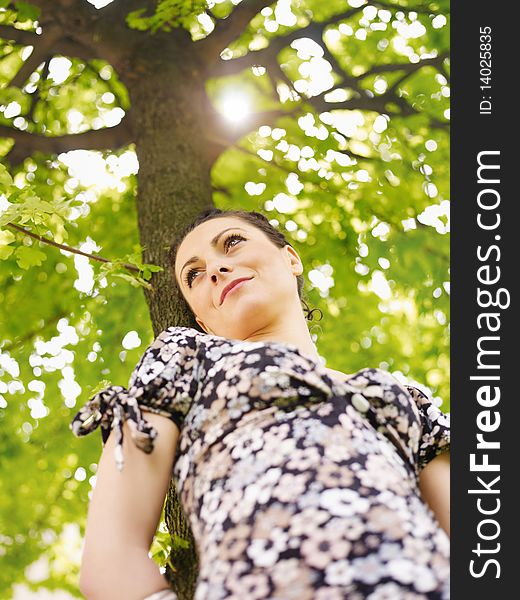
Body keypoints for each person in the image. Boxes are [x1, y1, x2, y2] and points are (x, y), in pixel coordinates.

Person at [71, 208, 450, 600]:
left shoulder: (404, 398)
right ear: (202, 320)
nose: (215, 269)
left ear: (291, 259)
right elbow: (109, 561)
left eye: (232, 243)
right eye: (194, 274)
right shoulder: (182, 358)